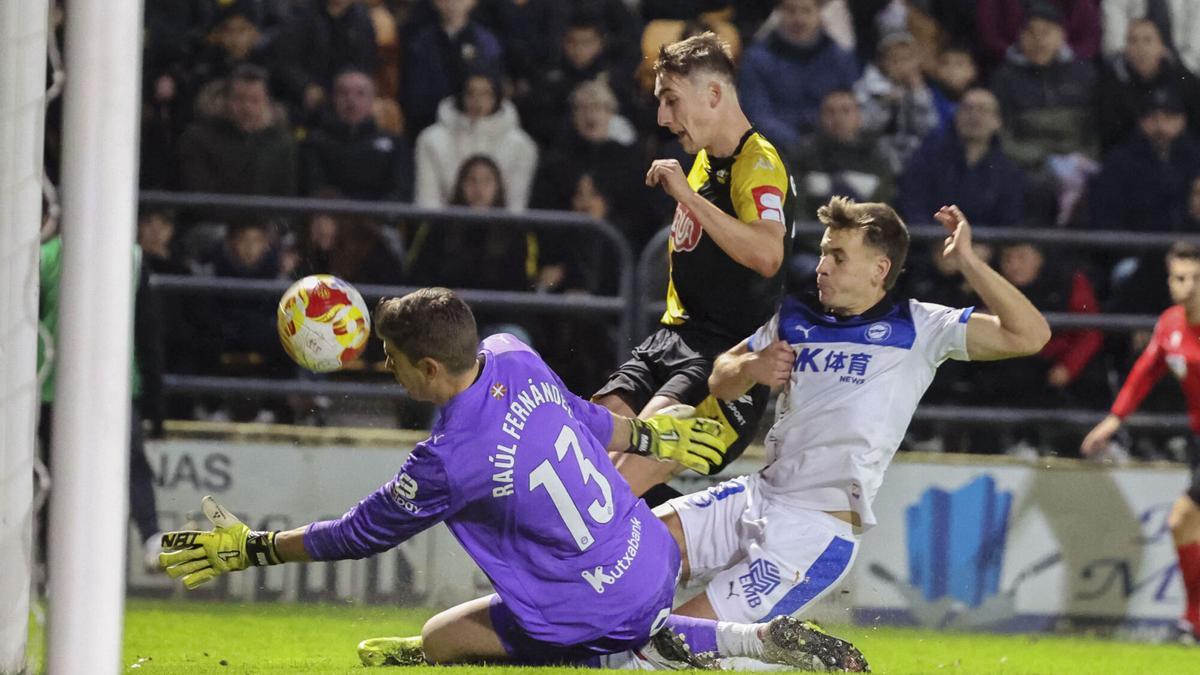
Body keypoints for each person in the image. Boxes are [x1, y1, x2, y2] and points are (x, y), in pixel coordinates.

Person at [158, 288, 867, 671]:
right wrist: (651, 437)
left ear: (429, 368)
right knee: (492, 629)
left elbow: (356, 534)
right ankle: (739, 638)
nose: (387, 367)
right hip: (645, 551)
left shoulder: (445, 460)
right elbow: (585, 417)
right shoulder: (513, 354)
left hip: (593, 603)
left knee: (442, 641)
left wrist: (255, 547)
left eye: (393, 359)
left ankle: (689, 652)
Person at [658, 198, 1050, 624]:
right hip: (755, 495)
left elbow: (1030, 335)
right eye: (824, 253)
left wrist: (969, 262)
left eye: (838, 257)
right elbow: (720, 379)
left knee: (677, 640)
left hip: (812, 531)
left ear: (879, 269)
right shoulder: (795, 317)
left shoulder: (920, 327)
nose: (821, 267)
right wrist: (751, 367)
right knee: (629, 548)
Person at [591, 32, 798, 505]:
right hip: (671, 341)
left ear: (714, 94)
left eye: (671, 100)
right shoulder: (704, 160)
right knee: (583, 442)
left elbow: (768, 255)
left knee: (613, 485)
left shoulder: (759, 162)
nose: (662, 118)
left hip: (723, 361)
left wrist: (686, 196)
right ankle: (678, 536)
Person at [1081, 242, 1200, 643]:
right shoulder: (1170, 324)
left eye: (1196, 278)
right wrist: (1114, 419)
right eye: (1180, 278)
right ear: (1169, 281)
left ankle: (1192, 620)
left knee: (1182, 521)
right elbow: (1145, 372)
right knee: (1184, 525)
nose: (1188, 286)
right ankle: (1194, 620)